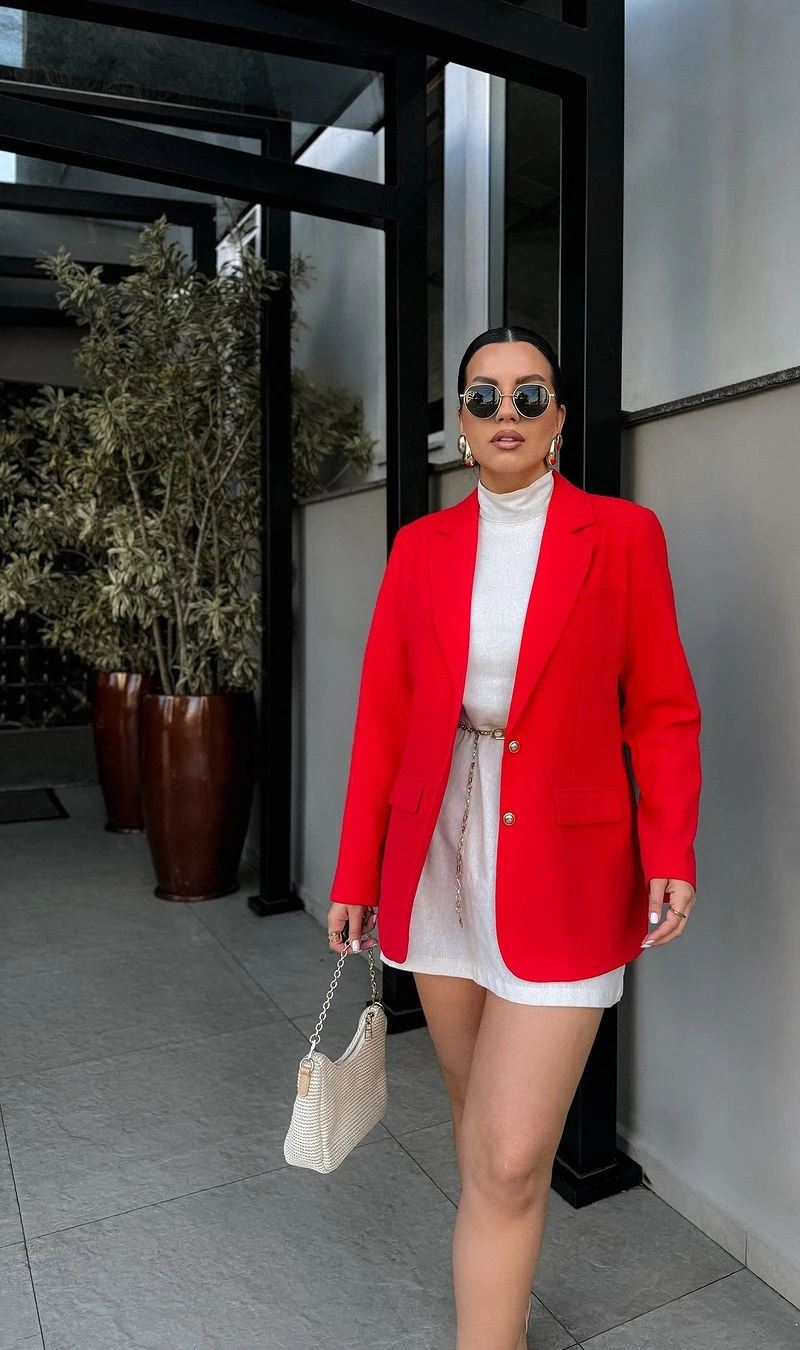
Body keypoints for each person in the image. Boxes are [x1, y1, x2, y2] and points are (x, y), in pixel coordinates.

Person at [327, 326, 702, 1350]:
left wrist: (668, 847)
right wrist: (357, 868)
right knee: (476, 1123)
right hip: (438, 845)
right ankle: (498, 1291)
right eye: (483, 397)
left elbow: (660, 709)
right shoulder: (420, 548)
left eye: (527, 395)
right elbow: (383, 718)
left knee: (503, 1153)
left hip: (566, 858)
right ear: (458, 421)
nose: (505, 413)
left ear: (559, 420)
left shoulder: (621, 536)